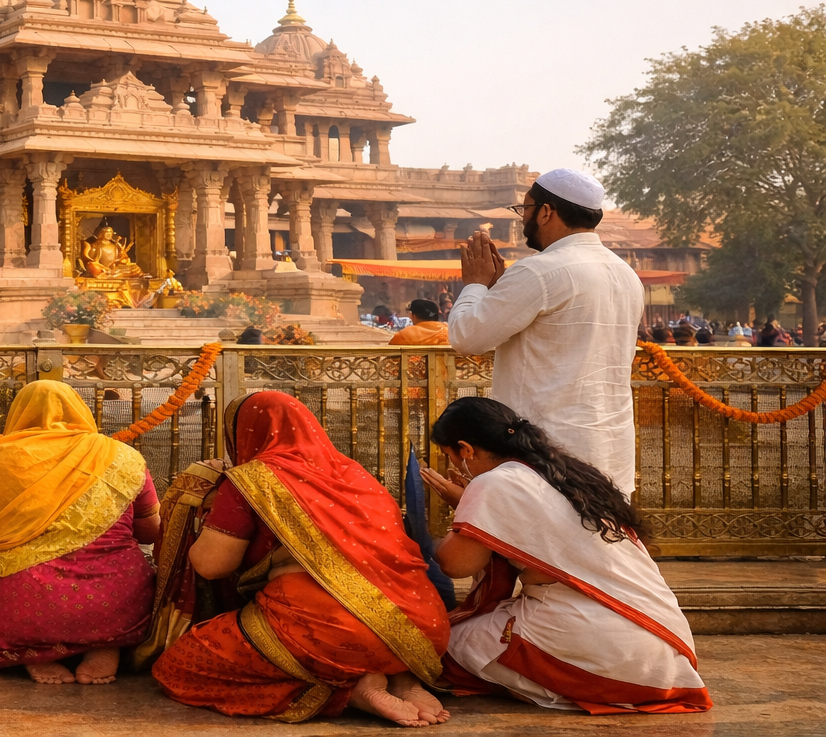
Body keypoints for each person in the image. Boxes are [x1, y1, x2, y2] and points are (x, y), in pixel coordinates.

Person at [152, 391, 451, 726]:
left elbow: (211, 564)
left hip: (332, 634)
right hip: (425, 627)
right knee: (373, 632)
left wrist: (193, 505)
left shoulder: (253, 480)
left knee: (179, 666)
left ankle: (350, 691)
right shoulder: (358, 475)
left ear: (244, 434)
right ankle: (403, 678)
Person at [420, 398, 710, 714]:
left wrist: (450, 515)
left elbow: (456, 563)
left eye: (450, 456)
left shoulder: (495, 481)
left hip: (607, 641)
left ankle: (547, 685)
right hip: (666, 650)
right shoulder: (561, 472)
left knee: (437, 648)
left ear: (466, 449)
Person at [448, 168, 643, 496]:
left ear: (546, 212)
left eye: (525, 210)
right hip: (609, 449)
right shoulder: (625, 274)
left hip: (547, 451)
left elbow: (466, 337)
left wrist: (476, 285)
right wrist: (498, 292)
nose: (523, 220)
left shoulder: (539, 270)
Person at [0, 381, 160, 685]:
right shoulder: (122, 457)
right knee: (128, 574)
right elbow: (150, 531)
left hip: (27, 604)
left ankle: (34, 654)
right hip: (117, 601)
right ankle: (107, 645)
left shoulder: (0, 456)